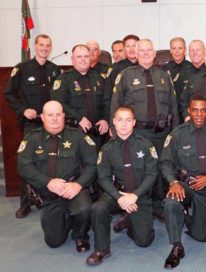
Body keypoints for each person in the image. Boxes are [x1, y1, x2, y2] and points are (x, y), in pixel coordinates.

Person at [111, 38, 179, 222]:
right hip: (136, 133)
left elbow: (173, 106)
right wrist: (116, 133)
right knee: (136, 170)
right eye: (142, 51)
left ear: (154, 53)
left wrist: (175, 133)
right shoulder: (125, 75)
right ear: (135, 53)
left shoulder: (164, 76)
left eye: (149, 50)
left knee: (158, 169)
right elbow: (115, 106)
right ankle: (134, 206)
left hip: (161, 133)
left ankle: (157, 206)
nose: (146, 53)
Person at [17, 100, 97, 252]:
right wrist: (47, 182)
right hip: (49, 193)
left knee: (84, 208)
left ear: (64, 116)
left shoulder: (77, 136)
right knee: (54, 241)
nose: (54, 118)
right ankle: (66, 220)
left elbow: (92, 164)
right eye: (50, 115)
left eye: (58, 114)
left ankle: (80, 235)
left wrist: (78, 185)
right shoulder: (32, 138)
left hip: (74, 190)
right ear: (42, 117)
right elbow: (24, 166)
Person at [159, 96, 206, 269]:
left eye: (203, 110)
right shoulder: (177, 134)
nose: (199, 114)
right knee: (171, 200)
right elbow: (165, 162)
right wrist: (173, 182)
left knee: (202, 236)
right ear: (189, 110)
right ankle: (176, 246)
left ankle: (187, 216)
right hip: (185, 185)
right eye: (195, 110)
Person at [86, 106, 157, 265]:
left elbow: (152, 174)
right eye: (120, 120)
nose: (124, 124)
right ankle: (101, 249)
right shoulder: (106, 149)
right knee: (98, 208)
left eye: (128, 120)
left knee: (144, 241)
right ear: (114, 122)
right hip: (116, 194)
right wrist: (119, 197)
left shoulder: (146, 146)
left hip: (140, 195)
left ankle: (130, 221)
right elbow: (103, 178)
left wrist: (134, 196)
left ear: (134, 123)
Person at [4, 33, 62, 218]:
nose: (45, 48)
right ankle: (25, 202)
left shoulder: (56, 70)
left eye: (48, 45)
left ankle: (50, 198)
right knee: (27, 161)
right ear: (35, 46)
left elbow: (61, 96)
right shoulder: (22, 69)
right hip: (31, 124)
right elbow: (9, 94)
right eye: (41, 45)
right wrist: (22, 110)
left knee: (53, 160)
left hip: (52, 124)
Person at [51, 44, 110, 148]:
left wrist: (105, 119)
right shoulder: (64, 79)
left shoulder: (99, 78)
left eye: (86, 56)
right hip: (73, 132)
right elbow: (58, 103)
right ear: (72, 59)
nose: (83, 60)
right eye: (79, 57)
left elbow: (107, 101)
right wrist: (79, 119)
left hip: (97, 134)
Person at [163, 37, 195, 119]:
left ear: (185, 50)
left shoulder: (192, 68)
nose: (177, 51)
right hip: (170, 111)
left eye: (180, 48)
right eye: (174, 48)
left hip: (187, 112)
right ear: (170, 50)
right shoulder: (164, 69)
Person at [105, 35, 140, 103]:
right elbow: (108, 96)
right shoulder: (116, 69)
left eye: (134, 46)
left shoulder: (145, 66)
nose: (131, 49)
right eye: (128, 46)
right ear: (124, 49)